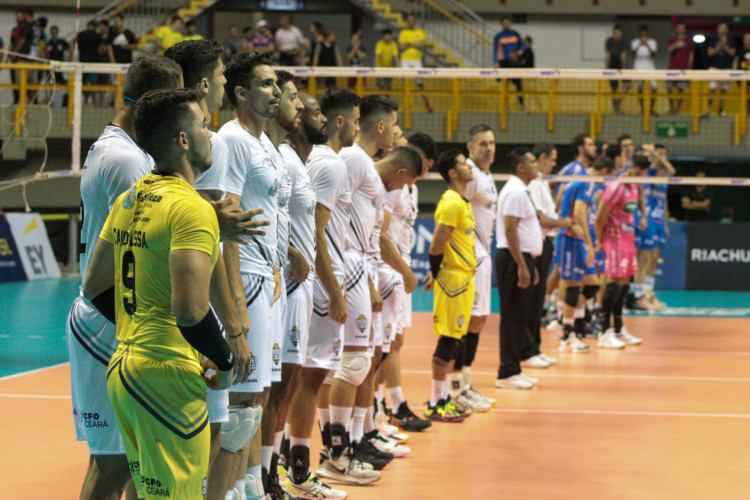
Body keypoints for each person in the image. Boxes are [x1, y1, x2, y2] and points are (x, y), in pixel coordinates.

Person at [83, 87, 235, 500]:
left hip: (126, 369)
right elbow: (189, 310)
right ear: (183, 140)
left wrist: (141, 325)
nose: (210, 132)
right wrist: (223, 358)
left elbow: (93, 286)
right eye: (204, 124)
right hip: (167, 375)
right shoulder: (192, 208)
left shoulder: (131, 198)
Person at [164, 39, 260, 500]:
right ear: (204, 83)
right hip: (195, 312)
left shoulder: (162, 139)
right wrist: (235, 320)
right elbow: (216, 238)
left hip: (160, 307)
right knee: (213, 426)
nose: (225, 84)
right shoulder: (212, 142)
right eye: (223, 77)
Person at [324, 95, 417, 479]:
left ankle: (353, 440)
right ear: (380, 127)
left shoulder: (364, 165)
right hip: (347, 265)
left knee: (361, 362)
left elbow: (369, 229)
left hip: (361, 266)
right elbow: (331, 216)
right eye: (393, 125)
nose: (396, 132)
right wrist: (339, 275)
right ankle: (336, 452)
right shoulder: (351, 160)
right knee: (344, 365)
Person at [284, 88, 365, 494]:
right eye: (304, 109)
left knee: (297, 378)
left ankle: (285, 463)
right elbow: (314, 233)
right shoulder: (330, 164)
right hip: (318, 285)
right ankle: (298, 470)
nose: (307, 113)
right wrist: (334, 292)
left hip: (312, 282)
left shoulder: (309, 161)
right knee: (309, 378)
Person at [213, 51, 283, 500]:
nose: (276, 92)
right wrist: (235, 298)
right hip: (247, 280)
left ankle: (247, 485)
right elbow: (227, 223)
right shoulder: (232, 139)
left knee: (255, 401)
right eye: (267, 84)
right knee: (237, 403)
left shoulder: (266, 144)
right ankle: (223, 490)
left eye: (277, 84)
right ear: (240, 92)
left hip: (267, 278)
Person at [379, 132, 437, 432]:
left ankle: (387, 407)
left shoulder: (410, 189)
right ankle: (387, 409)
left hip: (398, 272)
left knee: (393, 343)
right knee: (382, 345)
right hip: (387, 271)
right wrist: (403, 270)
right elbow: (381, 233)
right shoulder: (392, 186)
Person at [496, 148, 555, 389]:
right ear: (521, 167)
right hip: (512, 259)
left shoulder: (524, 190)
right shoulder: (515, 192)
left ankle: (515, 368)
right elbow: (510, 230)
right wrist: (521, 264)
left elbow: (526, 230)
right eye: (532, 161)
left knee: (520, 316)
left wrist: (531, 262)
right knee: (511, 317)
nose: (536, 164)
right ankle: (507, 372)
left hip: (524, 258)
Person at [422, 149, 475, 421]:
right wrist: (437, 274)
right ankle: (435, 402)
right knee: (448, 341)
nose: (470, 167)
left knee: (456, 341)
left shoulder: (462, 201)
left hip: (463, 278)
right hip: (453, 280)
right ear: (453, 173)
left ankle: (443, 397)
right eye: (465, 164)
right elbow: (435, 247)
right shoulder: (452, 203)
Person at [451, 125, 497, 409]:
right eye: (483, 143)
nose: (489, 148)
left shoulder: (486, 175)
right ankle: (456, 388)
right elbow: (455, 205)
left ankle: (465, 383)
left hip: (483, 254)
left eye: (491, 143)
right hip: (471, 256)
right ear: (470, 147)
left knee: (478, 321)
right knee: (467, 321)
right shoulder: (469, 174)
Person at [595, 154, 649, 348]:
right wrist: (600, 240)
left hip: (628, 238)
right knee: (613, 283)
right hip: (614, 239)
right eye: (636, 172)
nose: (638, 177)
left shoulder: (634, 186)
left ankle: (618, 328)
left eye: (641, 175)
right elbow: (600, 217)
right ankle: (603, 331)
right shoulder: (616, 186)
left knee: (625, 283)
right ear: (630, 166)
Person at [633, 144, 675, 310]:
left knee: (654, 257)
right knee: (643, 256)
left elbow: (664, 201)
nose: (661, 158)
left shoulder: (663, 177)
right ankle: (638, 293)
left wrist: (665, 222)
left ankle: (649, 292)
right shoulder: (649, 172)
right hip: (648, 217)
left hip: (659, 220)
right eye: (659, 155)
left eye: (664, 154)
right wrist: (653, 154)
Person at [399, 13, 432, 112]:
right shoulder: (403, 33)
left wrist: (409, 44)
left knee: (421, 85)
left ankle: (427, 106)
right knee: (406, 85)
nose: (410, 22)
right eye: (408, 20)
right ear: (406, 21)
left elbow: (422, 44)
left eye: (412, 20)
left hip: (417, 61)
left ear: (415, 21)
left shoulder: (420, 32)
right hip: (405, 60)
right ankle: (407, 108)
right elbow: (401, 47)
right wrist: (415, 44)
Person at [493, 16, 526, 112]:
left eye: (508, 23)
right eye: (504, 23)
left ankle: (522, 105)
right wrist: (496, 62)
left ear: (510, 23)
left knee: (518, 84)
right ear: (502, 24)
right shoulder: (498, 36)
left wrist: (518, 53)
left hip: (514, 62)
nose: (506, 24)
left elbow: (522, 47)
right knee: (504, 85)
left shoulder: (515, 34)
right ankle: (505, 106)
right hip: (504, 63)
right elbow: (496, 50)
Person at [706, 22, 736, 116]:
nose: (723, 29)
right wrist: (718, 47)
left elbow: (732, 53)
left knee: (724, 89)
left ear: (727, 30)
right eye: (721, 28)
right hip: (714, 67)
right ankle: (708, 109)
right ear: (717, 29)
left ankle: (721, 109)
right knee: (712, 88)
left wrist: (725, 46)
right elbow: (709, 53)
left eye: (725, 28)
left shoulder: (731, 40)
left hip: (726, 68)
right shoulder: (712, 39)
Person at [667, 23, 694, 114]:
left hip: (683, 69)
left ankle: (677, 109)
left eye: (683, 27)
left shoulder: (689, 41)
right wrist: (676, 42)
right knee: (669, 88)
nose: (681, 29)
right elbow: (669, 50)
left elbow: (691, 54)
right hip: (672, 68)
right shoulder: (672, 40)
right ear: (676, 29)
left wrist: (689, 67)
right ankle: (671, 108)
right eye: (679, 28)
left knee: (681, 89)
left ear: (685, 29)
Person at [631, 25, 658, 115]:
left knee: (654, 88)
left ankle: (651, 109)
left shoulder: (652, 42)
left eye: (645, 33)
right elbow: (633, 54)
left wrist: (647, 45)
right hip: (638, 66)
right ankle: (643, 109)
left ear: (647, 33)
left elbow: (654, 54)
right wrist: (640, 44)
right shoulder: (634, 42)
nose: (643, 34)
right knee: (639, 88)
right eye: (641, 33)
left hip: (650, 66)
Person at [605, 25, 630, 114]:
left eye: (619, 33)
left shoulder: (624, 43)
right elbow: (608, 55)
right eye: (616, 33)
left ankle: (617, 104)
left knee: (627, 84)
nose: (617, 35)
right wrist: (606, 70)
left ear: (621, 34)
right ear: (613, 33)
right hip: (612, 66)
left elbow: (623, 57)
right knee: (614, 88)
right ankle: (615, 108)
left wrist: (624, 71)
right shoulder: (609, 42)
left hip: (621, 66)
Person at [78, 21, 103, 107]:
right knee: (90, 82)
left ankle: (86, 100)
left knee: (84, 82)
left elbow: (77, 47)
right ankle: (88, 101)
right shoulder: (97, 36)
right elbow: (101, 49)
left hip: (82, 61)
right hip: (93, 62)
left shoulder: (80, 35)